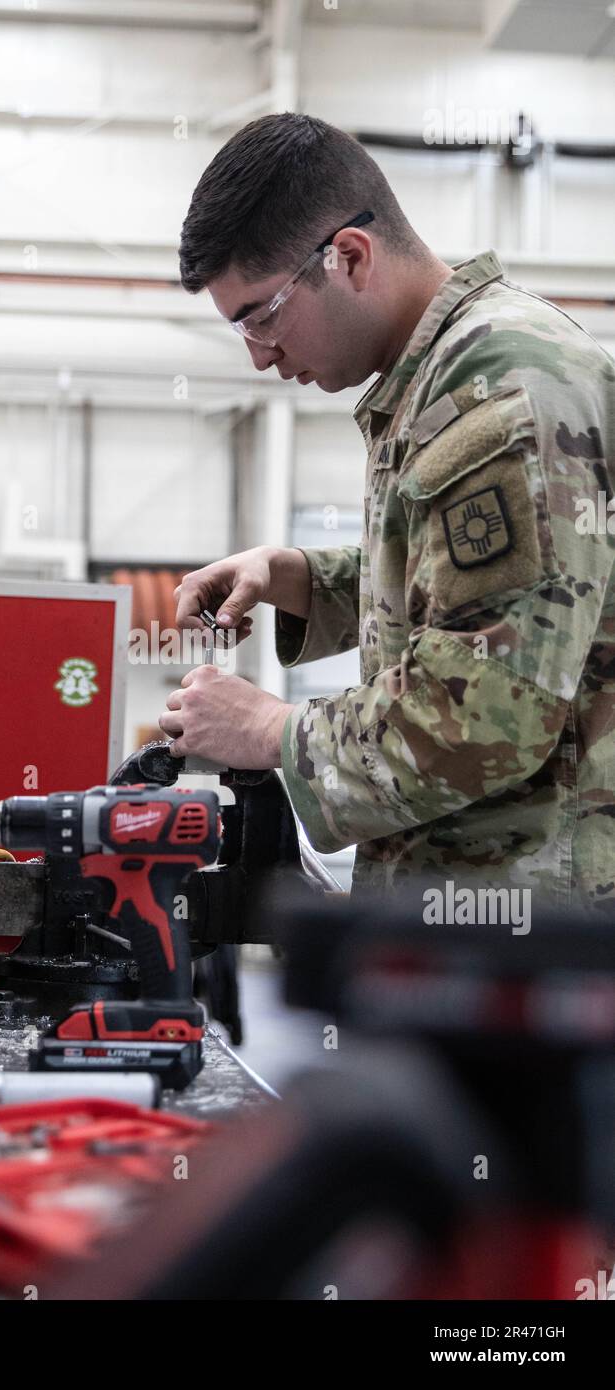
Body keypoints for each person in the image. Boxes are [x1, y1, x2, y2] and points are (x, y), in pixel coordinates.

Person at [158, 113, 615, 905]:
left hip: (537, 931)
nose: (258, 355)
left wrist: (272, 731)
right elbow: (486, 590)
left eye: (261, 315)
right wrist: (300, 577)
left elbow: (486, 714)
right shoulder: (443, 373)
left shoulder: (497, 389)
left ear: (350, 257)